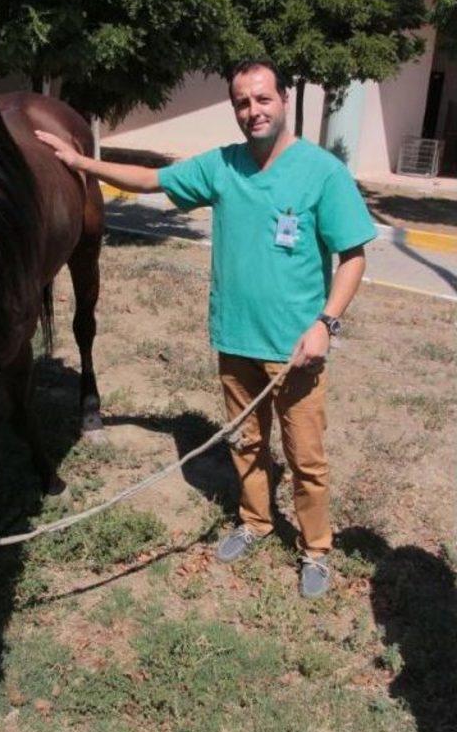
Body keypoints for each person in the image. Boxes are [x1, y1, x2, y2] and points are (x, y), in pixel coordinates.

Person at [36, 58, 377, 598]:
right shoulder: (224, 167)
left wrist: (325, 324)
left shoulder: (321, 173)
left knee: (306, 458)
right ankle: (256, 522)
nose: (253, 110)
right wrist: (81, 162)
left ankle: (316, 550)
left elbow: (353, 256)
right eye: (242, 102)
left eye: (262, 98)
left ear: (283, 101)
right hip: (235, 338)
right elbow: (151, 178)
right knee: (246, 442)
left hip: (296, 348)